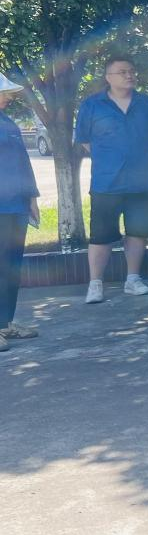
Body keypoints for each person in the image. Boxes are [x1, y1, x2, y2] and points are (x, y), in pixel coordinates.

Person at [75, 55, 148, 303]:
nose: (129, 75)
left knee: (138, 232)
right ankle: (95, 284)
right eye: (122, 72)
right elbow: (85, 140)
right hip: (107, 183)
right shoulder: (92, 106)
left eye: (132, 71)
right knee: (101, 235)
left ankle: (133, 280)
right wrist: (111, 157)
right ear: (108, 77)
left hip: (143, 182)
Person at [0, 73, 40, 350]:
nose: (9, 97)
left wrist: (32, 197)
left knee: (11, 267)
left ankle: (4, 323)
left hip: (16, 205)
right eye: (4, 92)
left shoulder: (7, 122)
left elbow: (22, 161)